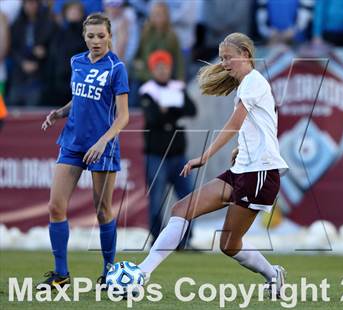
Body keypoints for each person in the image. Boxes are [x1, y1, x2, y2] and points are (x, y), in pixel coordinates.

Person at [137, 32, 289, 298]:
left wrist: (205, 155)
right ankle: (141, 274)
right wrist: (242, 148)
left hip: (260, 173)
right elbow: (261, 126)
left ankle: (273, 274)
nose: (224, 63)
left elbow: (235, 123)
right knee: (181, 208)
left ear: (245, 54)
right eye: (221, 59)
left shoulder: (253, 81)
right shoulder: (248, 84)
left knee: (229, 244)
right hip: (243, 168)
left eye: (228, 57)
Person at [38, 12, 130, 289]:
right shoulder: (76, 61)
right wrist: (60, 112)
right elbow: (81, 97)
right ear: (84, 37)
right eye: (91, 36)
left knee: (103, 210)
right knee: (56, 206)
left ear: (110, 36)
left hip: (103, 146)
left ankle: (108, 273)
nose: (96, 41)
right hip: (73, 142)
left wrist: (103, 141)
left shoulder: (116, 68)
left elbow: (123, 116)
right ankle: (61, 274)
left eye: (101, 36)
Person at [139, 49, 196, 248]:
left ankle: (186, 240)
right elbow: (154, 117)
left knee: (190, 199)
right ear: (153, 69)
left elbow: (192, 109)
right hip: (157, 155)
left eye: (166, 66)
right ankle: (158, 240)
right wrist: (174, 110)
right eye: (159, 67)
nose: (163, 70)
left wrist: (167, 109)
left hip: (178, 155)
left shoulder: (177, 86)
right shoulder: (147, 89)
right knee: (156, 202)